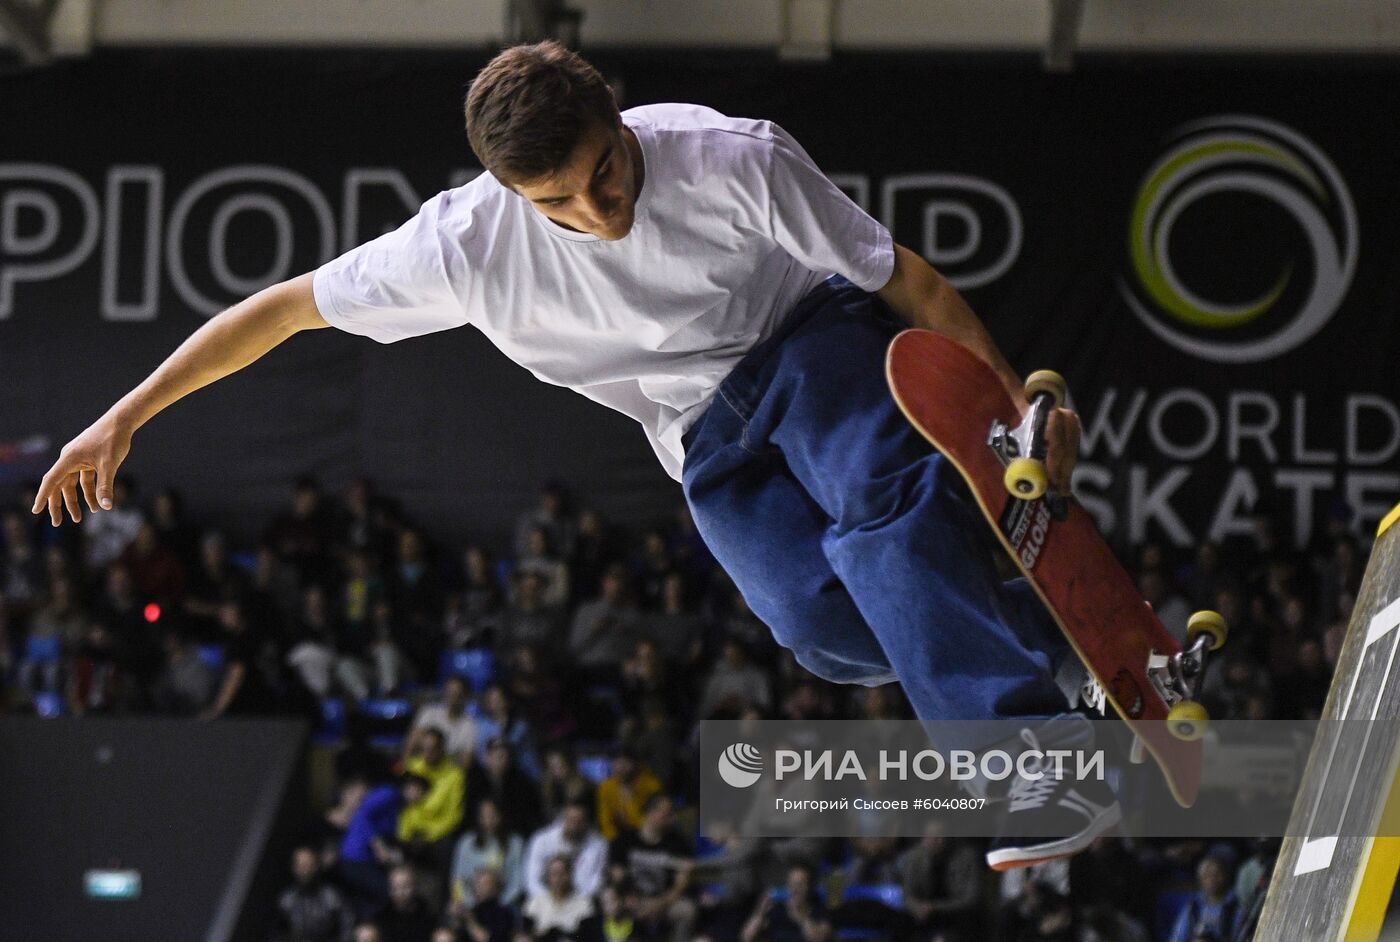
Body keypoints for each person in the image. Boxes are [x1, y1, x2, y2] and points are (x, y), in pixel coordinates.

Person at [32, 40, 1095, 870]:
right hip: (698, 429)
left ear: (617, 117)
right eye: (558, 205)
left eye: (606, 172)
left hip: (807, 341)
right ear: (505, 191)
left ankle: (1036, 765)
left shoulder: (733, 156)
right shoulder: (459, 247)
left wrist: (1008, 410)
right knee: (817, 629)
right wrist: (126, 414)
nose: (600, 212)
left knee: (877, 508)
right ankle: (1036, 656)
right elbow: (281, 313)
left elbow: (906, 282)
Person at [274, 845, 356, 942]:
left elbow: (347, 928)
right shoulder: (286, 900)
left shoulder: (333, 897)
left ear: (317, 866)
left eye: (309, 864)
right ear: (293, 868)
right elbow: (277, 933)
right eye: (300, 865)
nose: (305, 870)